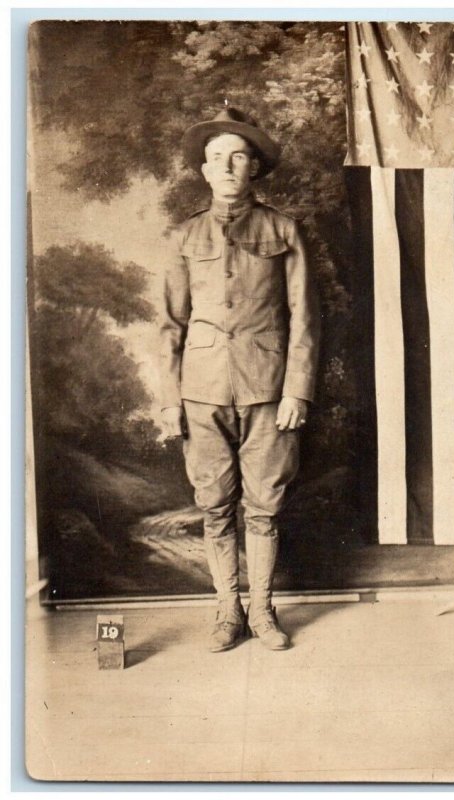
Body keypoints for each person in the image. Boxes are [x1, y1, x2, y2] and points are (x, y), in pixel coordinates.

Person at [160, 106, 320, 652]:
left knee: (265, 505)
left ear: (254, 166)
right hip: (201, 390)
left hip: (269, 388)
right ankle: (227, 612)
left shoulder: (282, 230)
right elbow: (170, 324)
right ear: (203, 171)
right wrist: (167, 398)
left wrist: (297, 388)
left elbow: (305, 317)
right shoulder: (183, 236)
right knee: (214, 505)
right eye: (215, 158)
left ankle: (263, 614)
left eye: (238, 156)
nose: (227, 166)